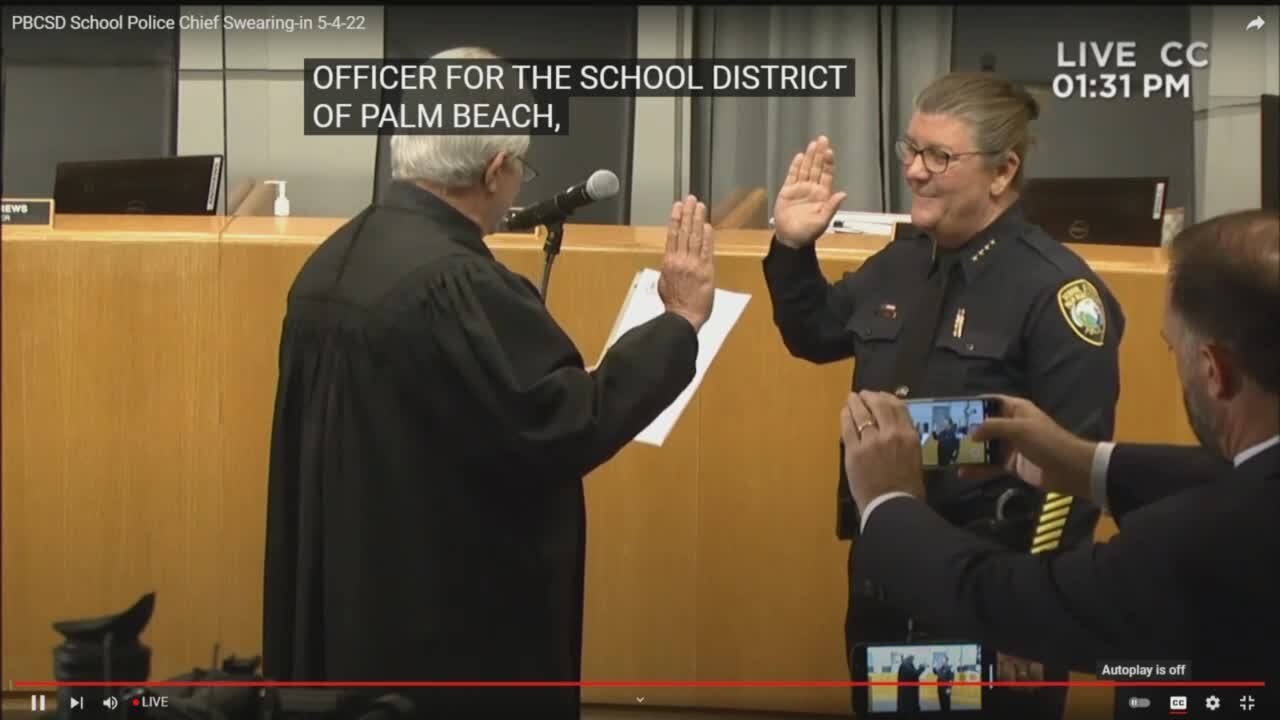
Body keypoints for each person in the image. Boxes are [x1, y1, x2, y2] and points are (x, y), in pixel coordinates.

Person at [262, 46, 718, 719]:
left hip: (345, 614)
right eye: (519, 171)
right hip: (438, 641)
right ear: (496, 169)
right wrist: (678, 321)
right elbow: (564, 423)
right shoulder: (457, 284)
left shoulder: (329, 266)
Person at [761, 71, 1125, 717]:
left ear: (1002, 170)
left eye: (939, 156)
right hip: (889, 570)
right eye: (911, 150)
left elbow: (1073, 468)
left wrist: (1032, 613)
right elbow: (813, 334)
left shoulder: (1056, 293)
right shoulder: (903, 262)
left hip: (988, 586)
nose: (916, 171)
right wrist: (793, 245)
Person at [840, 209, 1279, 715]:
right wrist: (1085, 465)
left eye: (1172, 348)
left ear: (1213, 370)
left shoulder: (1189, 546)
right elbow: (1236, 481)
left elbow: (1006, 602)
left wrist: (889, 501)